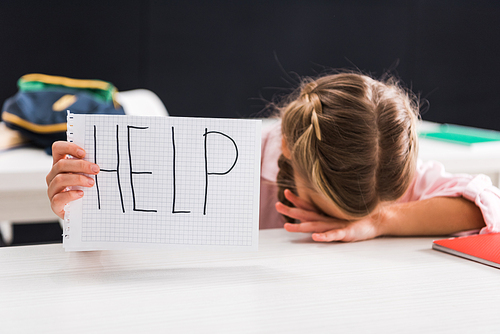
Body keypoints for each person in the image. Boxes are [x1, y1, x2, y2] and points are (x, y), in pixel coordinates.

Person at [47, 71, 500, 242]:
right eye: (327, 206)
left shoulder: (379, 172)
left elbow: (486, 203)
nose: (336, 222)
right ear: (289, 148)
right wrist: (81, 210)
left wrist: (380, 220)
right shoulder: (233, 169)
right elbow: (121, 244)